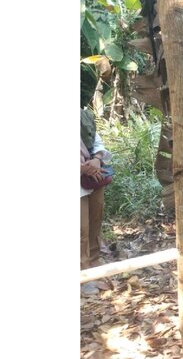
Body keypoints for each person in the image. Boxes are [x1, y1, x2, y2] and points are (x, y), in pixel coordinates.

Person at [81, 109, 112, 293]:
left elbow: (97, 142)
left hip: (94, 177)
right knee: (80, 229)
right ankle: (82, 275)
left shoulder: (83, 115)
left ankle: (94, 263)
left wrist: (97, 160)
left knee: (95, 221)